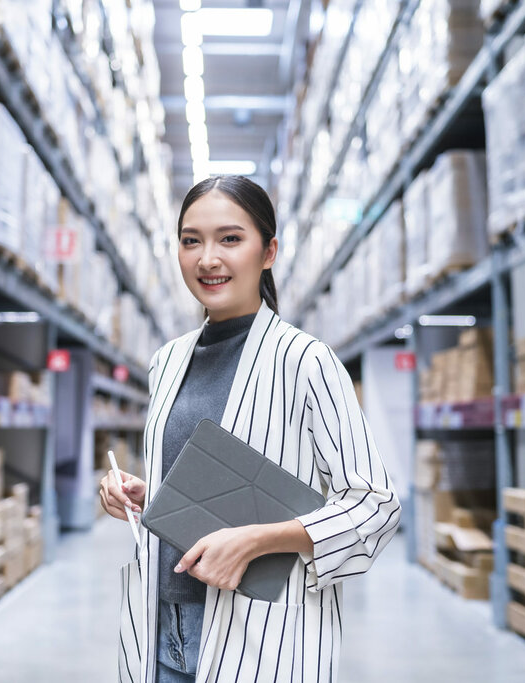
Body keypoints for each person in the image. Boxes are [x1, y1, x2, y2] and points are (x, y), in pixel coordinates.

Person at [99, 175, 400, 683]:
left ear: (268, 252)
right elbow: (217, 487)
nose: (207, 259)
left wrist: (257, 541)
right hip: (158, 626)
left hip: (261, 635)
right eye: (191, 240)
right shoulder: (167, 362)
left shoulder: (306, 361)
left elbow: (375, 505)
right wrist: (144, 495)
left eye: (230, 239)